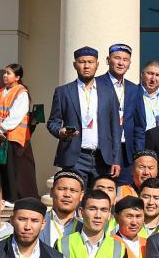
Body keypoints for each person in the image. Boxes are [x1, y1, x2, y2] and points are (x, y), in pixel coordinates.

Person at [48, 46, 120, 183]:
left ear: (97, 65)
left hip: (102, 159)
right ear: (75, 65)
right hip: (75, 157)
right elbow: (53, 122)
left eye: (90, 62)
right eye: (82, 62)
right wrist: (60, 131)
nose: (86, 66)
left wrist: (116, 159)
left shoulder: (108, 92)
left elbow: (115, 128)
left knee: (100, 196)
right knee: (75, 195)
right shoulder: (63, 92)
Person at [0, 62, 38, 200]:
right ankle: (1, 198)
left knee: (15, 172)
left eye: (8, 73)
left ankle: (15, 200)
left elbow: (16, 116)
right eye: (5, 73)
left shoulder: (21, 93)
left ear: (17, 77)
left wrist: (0, 129)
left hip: (14, 139)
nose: (5, 75)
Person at [123, 60, 159, 158]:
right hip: (138, 147)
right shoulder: (131, 94)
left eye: (158, 75)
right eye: (150, 73)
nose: (153, 78)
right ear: (142, 74)